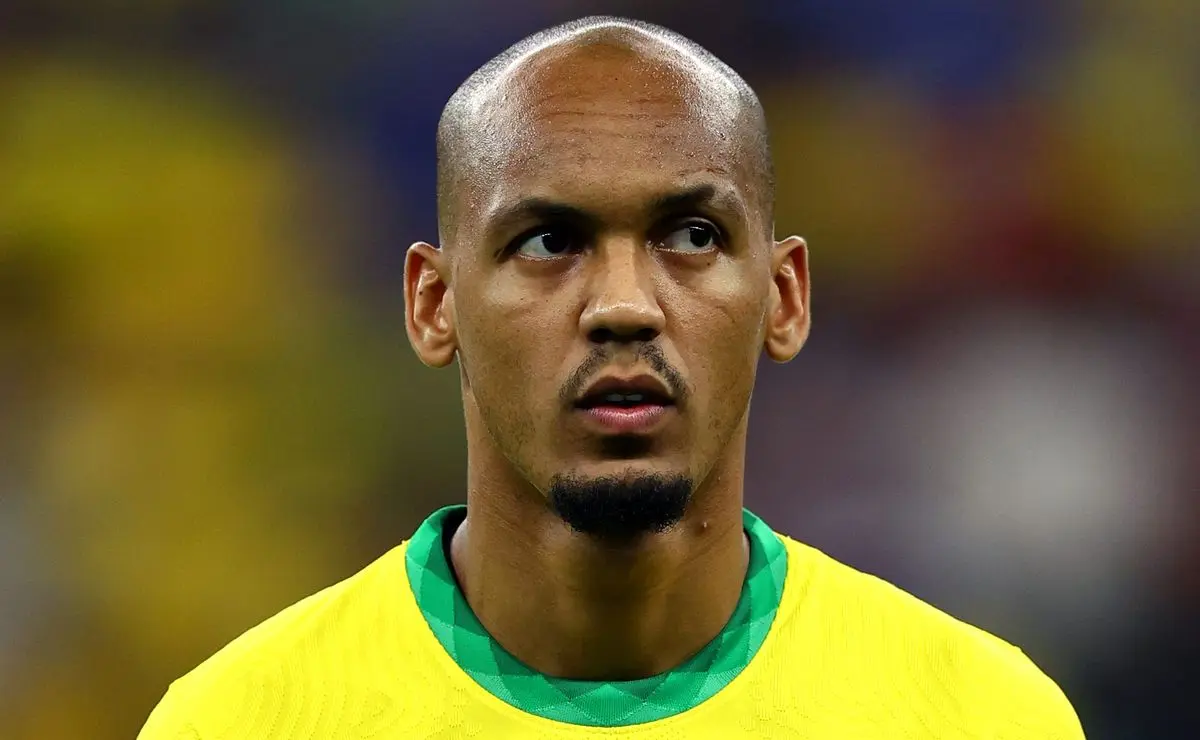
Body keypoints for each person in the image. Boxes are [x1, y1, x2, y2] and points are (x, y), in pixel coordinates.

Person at [139, 15, 1084, 739]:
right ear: (434, 305)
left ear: (785, 297)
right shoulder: (240, 721)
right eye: (548, 241)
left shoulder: (979, 717)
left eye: (692, 235)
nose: (624, 304)